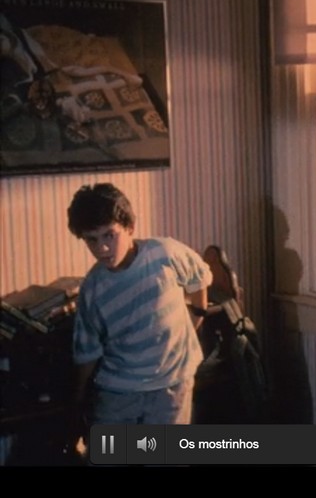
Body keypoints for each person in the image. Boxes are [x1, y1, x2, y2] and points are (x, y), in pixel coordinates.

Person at [66, 183, 212, 445]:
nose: (102, 248)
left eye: (109, 235)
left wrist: (197, 315)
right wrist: (78, 401)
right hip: (118, 390)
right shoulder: (93, 288)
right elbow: (87, 352)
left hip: (171, 384)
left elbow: (198, 276)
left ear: (130, 227)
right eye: (92, 240)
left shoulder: (164, 253)